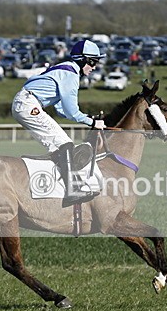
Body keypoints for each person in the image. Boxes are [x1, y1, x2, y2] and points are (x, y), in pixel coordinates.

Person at [12, 39, 107, 202]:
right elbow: (72, 111)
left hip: (26, 103)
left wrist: (88, 119)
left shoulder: (66, 69)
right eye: (93, 62)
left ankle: (63, 185)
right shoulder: (71, 74)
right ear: (83, 59)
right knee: (65, 144)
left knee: (61, 145)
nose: (94, 67)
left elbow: (61, 109)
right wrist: (92, 122)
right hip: (28, 104)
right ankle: (72, 190)